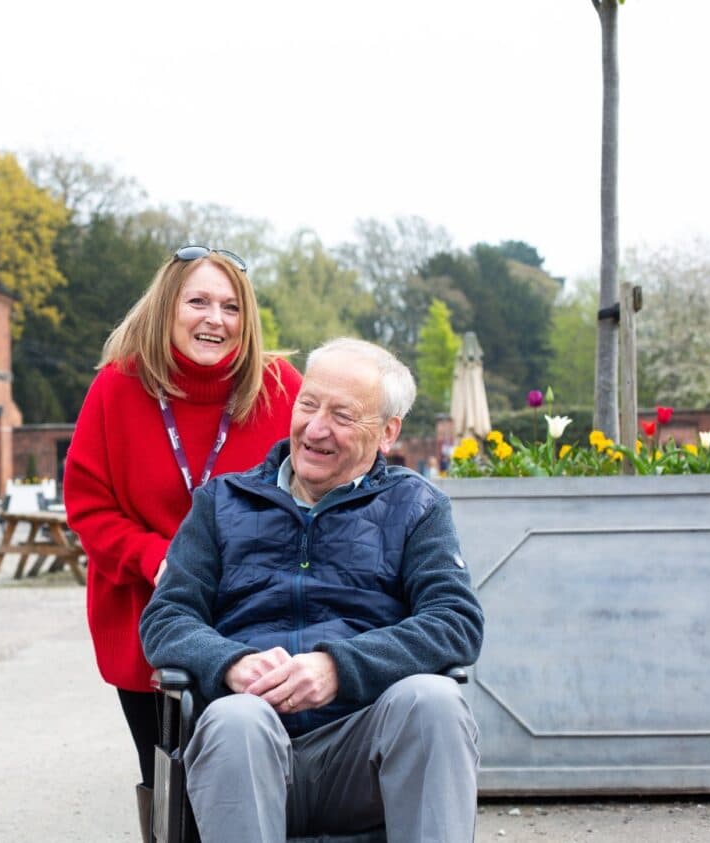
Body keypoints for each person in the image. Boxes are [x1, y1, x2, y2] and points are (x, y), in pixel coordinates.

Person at [140, 337, 484, 843]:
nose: (315, 428)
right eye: (308, 404)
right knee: (236, 721)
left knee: (433, 701)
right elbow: (165, 617)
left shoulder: (417, 507)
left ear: (387, 432)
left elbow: (456, 622)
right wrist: (229, 662)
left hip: (363, 750)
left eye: (343, 416)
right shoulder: (222, 502)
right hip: (248, 748)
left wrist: (339, 668)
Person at [62, 245, 302, 841]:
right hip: (148, 613)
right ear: (167, 307)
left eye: (230, 307)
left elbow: (316, 488)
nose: (214, 319)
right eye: (197, 301)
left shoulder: (281, 387)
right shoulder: (117, 387)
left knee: (251, 776)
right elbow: (88, 505)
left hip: (256, 618)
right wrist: (158, 558)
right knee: (169, 782)